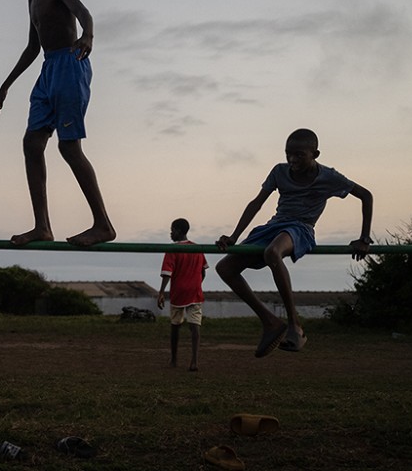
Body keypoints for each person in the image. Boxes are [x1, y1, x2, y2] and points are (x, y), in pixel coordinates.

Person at [0, 0, 116, 247]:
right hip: (48, 69)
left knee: (68, 147)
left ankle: (103, 225)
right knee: (32, 144)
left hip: (70, 64)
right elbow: (34, 46)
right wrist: (6, 85)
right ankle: (42, 226)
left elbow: (85, 14)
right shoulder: (32, 1)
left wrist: (87, 36)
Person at [215, 129, 374, 357]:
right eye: (288, 154)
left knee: (273, 252)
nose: (293, 160)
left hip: (301, 228)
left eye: (299, 155)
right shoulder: (280, 172)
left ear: (315, 154)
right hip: (274, 226)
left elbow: (366, 195)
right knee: (225, 267)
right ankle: (270, 321)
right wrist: (233, 237)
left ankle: (294, 325)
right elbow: (256, 203)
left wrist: (364, 238)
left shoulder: (329, 177)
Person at [156, 218, 207, 371]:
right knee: (195, 326)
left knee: (175, 326)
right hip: (195, 292)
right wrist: (196, 283)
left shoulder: (173, 249)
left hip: (178, 292)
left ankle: (174, 359)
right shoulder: (197, 248)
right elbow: (203, 271)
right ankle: (194, 361)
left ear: (178, 230)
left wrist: (161, 292)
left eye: (172, 230)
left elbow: (167, 273)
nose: (171, 233)